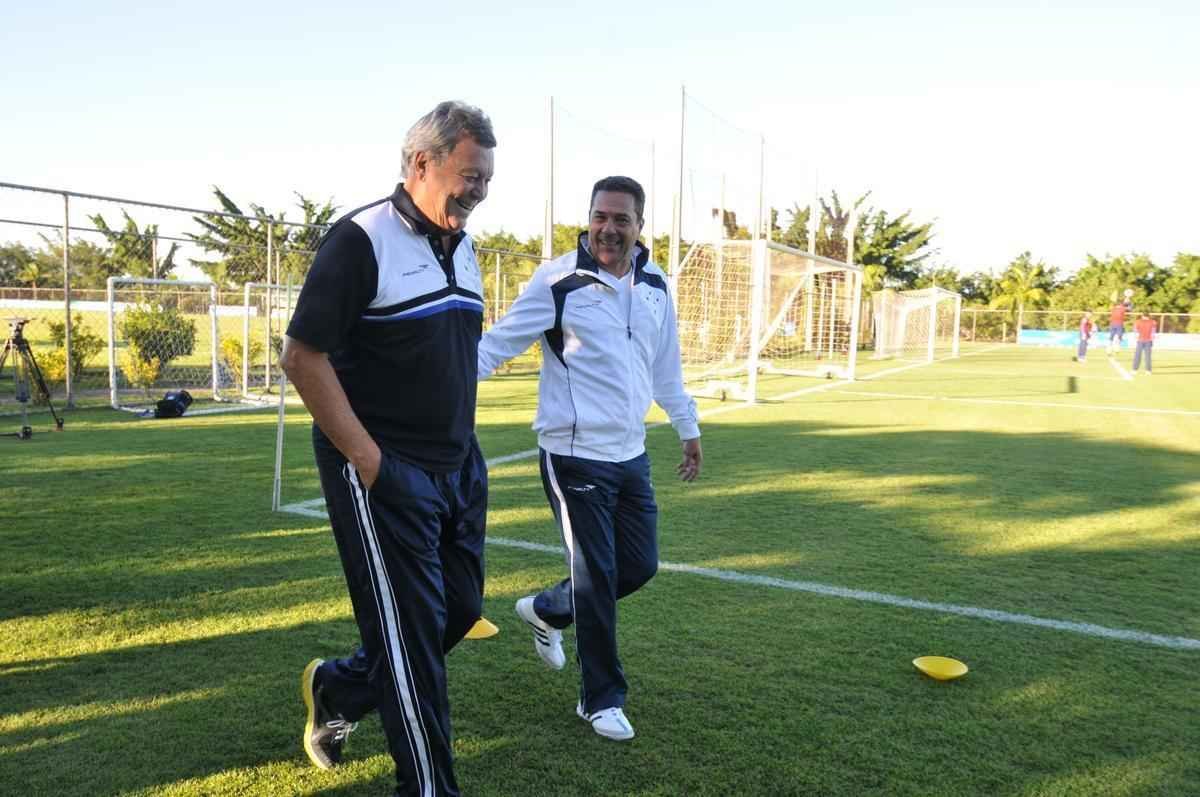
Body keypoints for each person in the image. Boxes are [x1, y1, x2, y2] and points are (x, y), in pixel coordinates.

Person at [281, 100, 495, 797]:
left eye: (486, 179)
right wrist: (371, 463)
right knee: (411, 650)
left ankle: (340, 686)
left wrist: (465, 455)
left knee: (457, 610)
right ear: (420, 163)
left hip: (459, 468)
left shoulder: (464, 245)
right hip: (383, 472)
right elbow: (302, 356)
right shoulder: (359, 239)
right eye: (468, 175)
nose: (477, 191)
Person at [477, 176, 702, 742]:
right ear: (589, 218)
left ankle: (548, 609)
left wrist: (687, 424)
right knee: (597, 577)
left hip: (632, 454)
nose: (608, 228)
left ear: (639, 226)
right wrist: (436, 386)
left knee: (640, 565)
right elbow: (496, 345)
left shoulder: (655, 284)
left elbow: (664, 368)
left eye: (621, 219)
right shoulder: (558, 280)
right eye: (600, 216)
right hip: (572, 455)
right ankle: (600, 699)